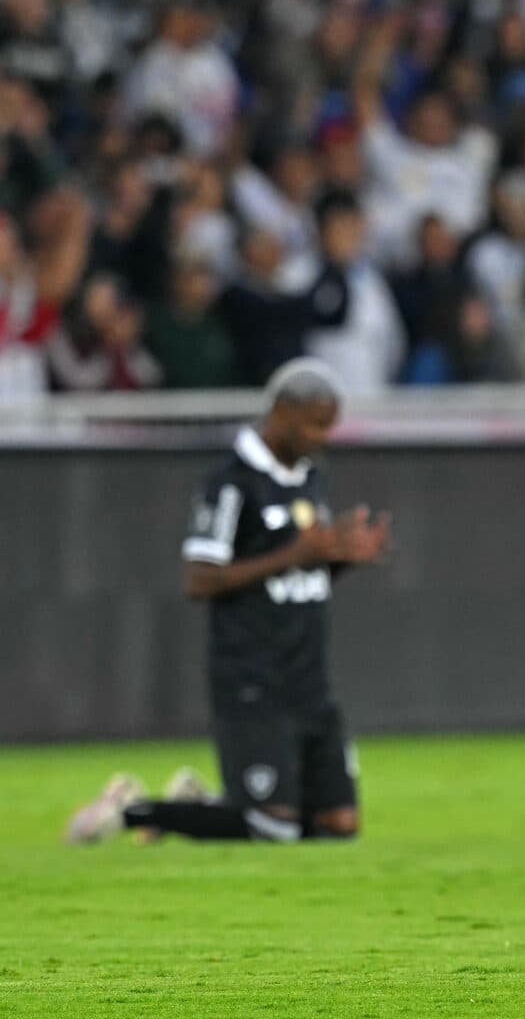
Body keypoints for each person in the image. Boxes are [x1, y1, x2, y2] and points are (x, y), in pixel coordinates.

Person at [65, 360, 392, 845]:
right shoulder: (231, 484)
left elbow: (299, 571)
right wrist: (296, 553)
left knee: (337, 827)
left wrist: (339, 559)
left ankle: (204, 809)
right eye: (316, 424)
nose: (325, 436)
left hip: (309, 677)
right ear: (281, 413)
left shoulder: (309, 475)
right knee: (273, 827)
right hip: (253, 679)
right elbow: (200, 579)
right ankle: (133, 811)